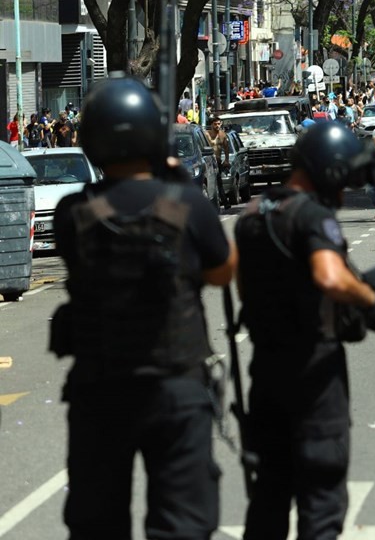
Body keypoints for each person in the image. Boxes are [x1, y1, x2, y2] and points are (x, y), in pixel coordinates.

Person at [51, 77, 236, 539]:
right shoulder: (186, 203)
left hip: (100, 386)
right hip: (174, 384)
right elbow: (222, 272)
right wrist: (175, 183)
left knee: (96, 522)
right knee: (182, 523)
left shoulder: (73, 213)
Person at [235, 121, 375, 539]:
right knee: (321, 498)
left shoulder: (254, 214)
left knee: (269, 493)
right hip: (313, 371)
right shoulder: (311, 216)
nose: (342, 196)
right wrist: (372, 301)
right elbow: (329, 276)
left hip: (266, 370)